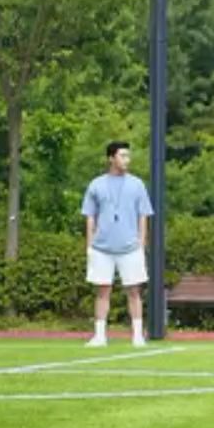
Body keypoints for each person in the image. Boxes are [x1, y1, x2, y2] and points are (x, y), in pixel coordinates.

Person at [81, 141, 155, 348]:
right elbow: (90, 216)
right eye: (122, 156)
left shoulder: (137, 184)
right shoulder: (96, 185)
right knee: (102, 291)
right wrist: (90, 246)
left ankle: (138, 335)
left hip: (130, 248)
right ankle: (100, 336)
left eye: (128, 156)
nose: (126, 160)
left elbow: (143, 215)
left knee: (134, 291)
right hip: (101, 248)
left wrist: (141, 242)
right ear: (111, 158)